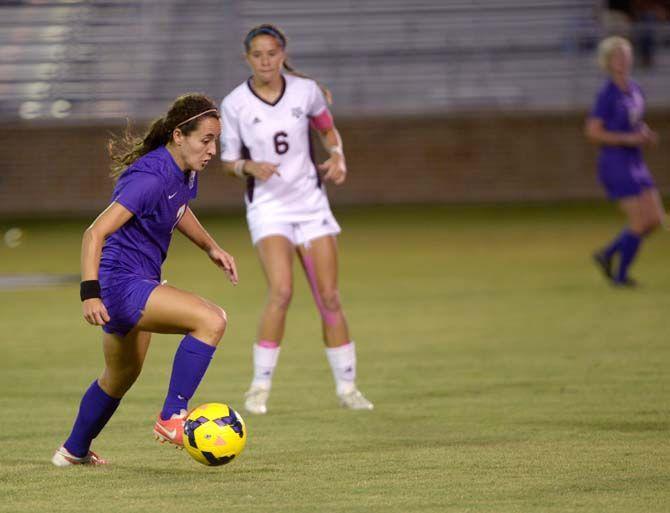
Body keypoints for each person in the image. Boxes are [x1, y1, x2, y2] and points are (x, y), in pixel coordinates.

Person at [52, 93, 239, 466]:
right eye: (206, 140)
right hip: (121, 284)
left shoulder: (183, 172)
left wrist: (210, 247)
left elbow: (178, 206)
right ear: (178, 136)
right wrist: (90, 294)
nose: (213, 149)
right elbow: (95, 233)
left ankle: (72, 451)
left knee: (119, 377)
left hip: (136, 280)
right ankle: (173, 416)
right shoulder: (150, 177)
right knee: (211, 320)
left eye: (216, 140)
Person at [219, 24, 373, 414]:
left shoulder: (305, 92)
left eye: (272, 53)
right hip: (268, 208)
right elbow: (226, 162)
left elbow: (327, 130)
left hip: (311, 204)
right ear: (247, 58)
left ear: (283, 53)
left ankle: (348, 387)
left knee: (330, 296)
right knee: (282, 291)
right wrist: (249, 166)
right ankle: (259, 387)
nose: (266, 61)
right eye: (258, 55)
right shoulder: (235, 103)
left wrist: (338, 156)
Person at [585, 36, 665, 287]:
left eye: (626, 55)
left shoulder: (635, 89)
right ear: (607, 62)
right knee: (639, 221)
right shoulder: (606, 95)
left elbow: (635, 121)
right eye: (617, 56)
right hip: (615, 162)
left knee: (656, 220)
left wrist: (644, 134)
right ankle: (620, 277)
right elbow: (593, 132)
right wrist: (626, 139)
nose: (623, 60)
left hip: (635, 160)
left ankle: (607, 254)